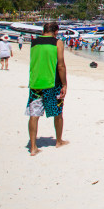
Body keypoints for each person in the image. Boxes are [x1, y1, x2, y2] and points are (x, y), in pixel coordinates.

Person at [25, 22, 68, 156]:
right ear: (56, 31)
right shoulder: (57, 42)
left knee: (34, 115)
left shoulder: (34, 42)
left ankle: (33, 147)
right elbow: (60, 65)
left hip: (36, 82)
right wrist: (64, 83)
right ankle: (59, 141)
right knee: (58, 113)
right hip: (52, 83)